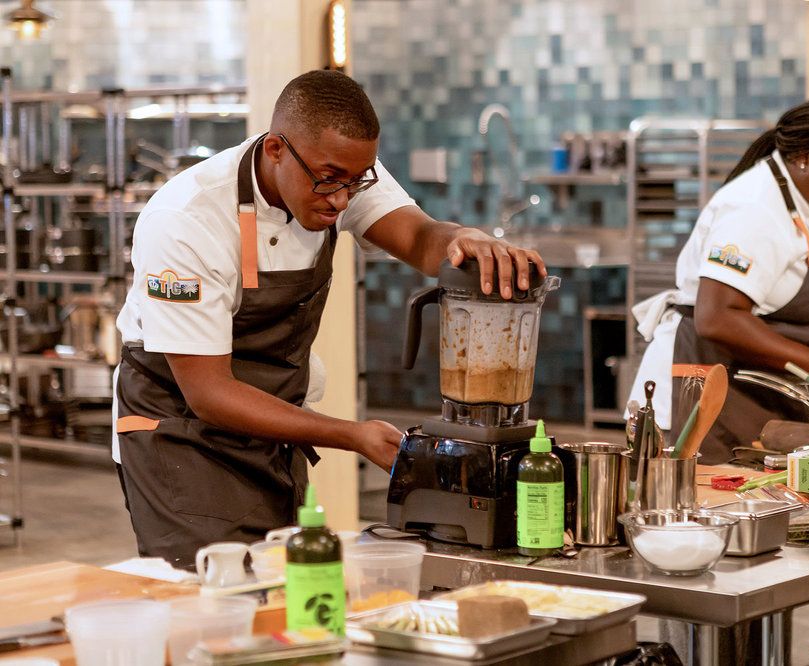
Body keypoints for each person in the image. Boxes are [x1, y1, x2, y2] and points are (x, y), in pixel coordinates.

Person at [113, 70, 546, 569]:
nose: (341, 199)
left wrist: (464, 239)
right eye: (329, 180)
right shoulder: (187, 220)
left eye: (355, 182)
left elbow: (417, 237)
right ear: (276, 149)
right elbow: (209, 393)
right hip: (181, 439)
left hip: (271, 433)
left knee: (279, 585)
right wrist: (352, 435)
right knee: (214, 593)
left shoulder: (340, 169)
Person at [628, 96, 809, 465]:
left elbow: (774, 313)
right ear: (804, 157)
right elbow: (717, 317)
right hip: (705, 394)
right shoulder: (754, 207)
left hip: (752, 395)